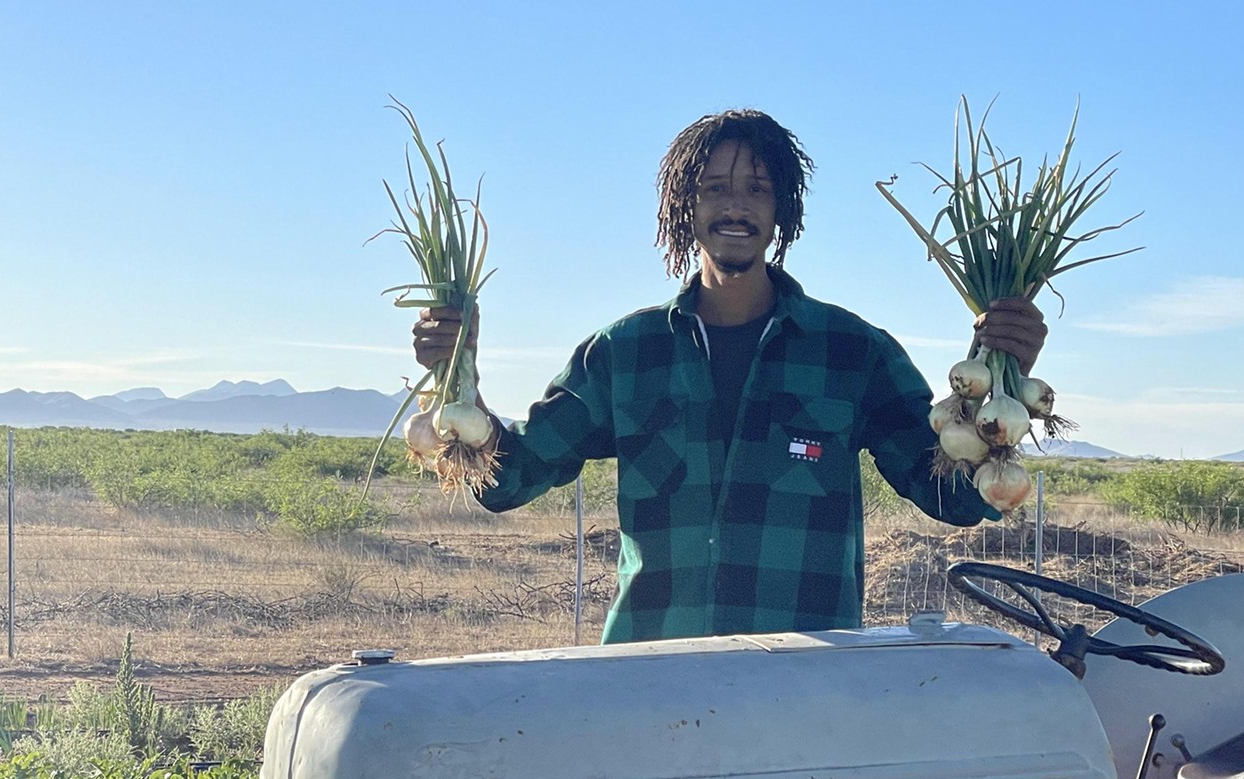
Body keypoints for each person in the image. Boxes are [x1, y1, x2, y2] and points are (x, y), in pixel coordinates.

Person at [411, 109, 1047, 645]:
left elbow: (953, 497)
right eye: (715, 188)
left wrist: (1004, 383)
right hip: (652, 672)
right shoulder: (624, 353)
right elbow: (511, 477)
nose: (736, 205)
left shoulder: (854, 353)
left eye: (757, 189)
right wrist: (457, 382)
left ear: (782, 211)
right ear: (685, 208)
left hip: (803, 682)